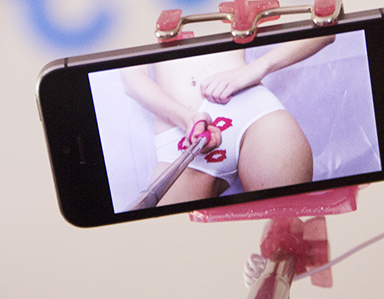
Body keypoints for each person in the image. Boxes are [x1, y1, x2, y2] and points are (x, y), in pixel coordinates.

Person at [119, 36, 334, 205]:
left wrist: (256, 68)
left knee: (285, 233)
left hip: (251, 109)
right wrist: (186, 118)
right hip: (181, 131)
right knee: (167, 243)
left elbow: (325, 32)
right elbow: (131, 79)